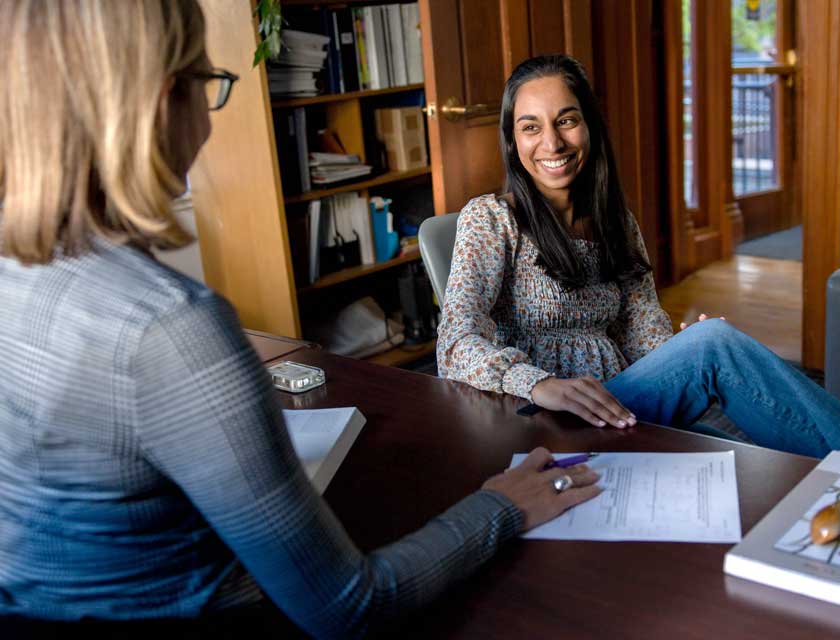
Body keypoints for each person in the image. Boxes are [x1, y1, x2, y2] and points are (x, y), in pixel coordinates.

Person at [0, 3, 601, 638]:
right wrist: (501, 507)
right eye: (203, 83)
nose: (207, 121)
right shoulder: (170, 327)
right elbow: (348, 606)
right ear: (150, 104)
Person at [436, 54, 840, 464]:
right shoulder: (491, 219)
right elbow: (454, 343)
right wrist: (538, 384)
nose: (552, 143)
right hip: (541, 417)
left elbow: (643, 330)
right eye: (530, 127)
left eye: (566, 120)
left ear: (590, 126)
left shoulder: (614, 221)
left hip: (620, 404)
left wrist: (677, 351)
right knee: (716, 348)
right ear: (513, 141)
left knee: (746, 462)